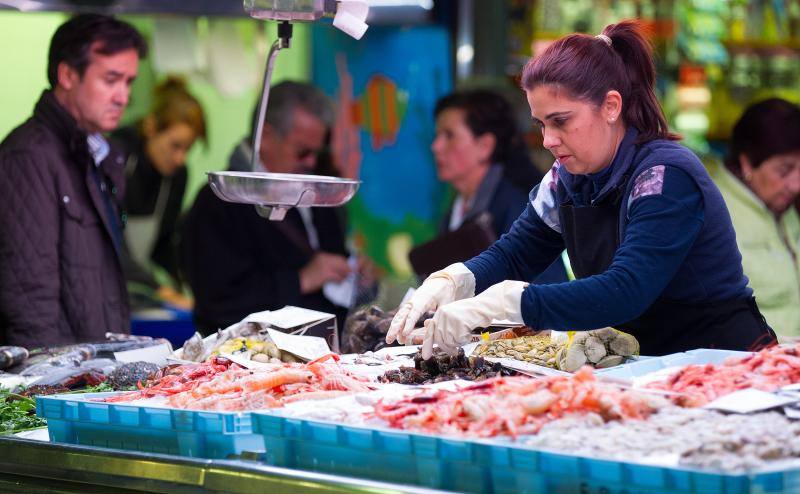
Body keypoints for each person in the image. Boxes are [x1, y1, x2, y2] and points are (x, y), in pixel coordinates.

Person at [387, 20, 776, 359]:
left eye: (561, 121)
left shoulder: (665, 175)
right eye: (541, 124)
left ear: (610, 106)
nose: (548, 140)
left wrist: (507, 303)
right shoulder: (565, 179)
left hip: (721, 361)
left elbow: (626, 290)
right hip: (646, 362)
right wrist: (455, 279)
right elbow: (516, 253)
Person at [0, 14, 147, 347]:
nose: (122, 97)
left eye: (128, 82)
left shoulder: (101, 155)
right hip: (59, 382)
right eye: (111, 80)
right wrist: (47, 391)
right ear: (67, 75)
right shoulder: (28, 156)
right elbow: (28, 297)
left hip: (97, 372)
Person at [181, 81, 360, 335]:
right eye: (302, 151)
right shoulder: (219, 202)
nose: (310, 161)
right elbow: (218, 302)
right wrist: (301, 280)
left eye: (316, 153)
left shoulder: (316, 187)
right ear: (265, 136)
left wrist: (352, 272)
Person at [424, 89, 566, 283]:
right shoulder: (454, 211)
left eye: (449, 136)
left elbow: (546, 287)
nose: (436, 146)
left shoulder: (519, 208)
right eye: (437, 135)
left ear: (485, 146)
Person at [707, 98, 800, 339]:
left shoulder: (786, 209)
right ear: (747, 162)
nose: (796, 185)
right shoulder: (714, 210)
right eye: (784, 170)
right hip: (755, 361)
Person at [112, 77, 206, 309]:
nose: (180, 158)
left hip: (135, 291)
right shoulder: (116, 159)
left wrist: (186, 283)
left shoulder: (176, 176)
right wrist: (160, 290)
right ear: (151, 127)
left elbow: (164, 243)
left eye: (188, 149)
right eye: (175, 145)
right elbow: (110, 244)